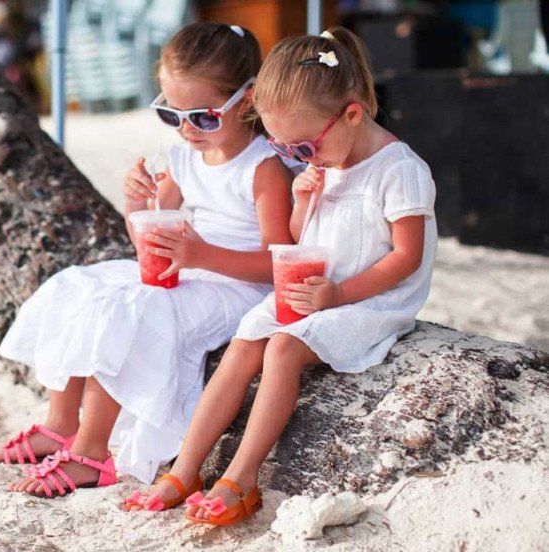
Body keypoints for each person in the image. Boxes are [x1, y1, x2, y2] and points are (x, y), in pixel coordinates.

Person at [132, 27, 437, 525]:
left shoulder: (398, 170)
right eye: (286, 150)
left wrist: (338, 293)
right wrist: (301, 203)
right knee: (244, 343)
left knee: (282, 347)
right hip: (318, 287)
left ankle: (242, 476)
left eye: (302, 148)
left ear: (353, 113)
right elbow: (298, 239)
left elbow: (405, 257)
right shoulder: (328, 157)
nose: (298, 159)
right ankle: (186, 467)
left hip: (371, 298)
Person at [0, 22, 298, 500]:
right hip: (193, 267)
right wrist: (138, 204)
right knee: (77, 285)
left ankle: (94, 454)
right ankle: (59, 423)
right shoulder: (181, 159)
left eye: (204, 116)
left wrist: (201, 254)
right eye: (172, 114)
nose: (188, 129)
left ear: (248, 98)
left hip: (239, 285)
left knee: (132, 312)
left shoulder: (263, 169)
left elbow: (277, 265)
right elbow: (150, 240)